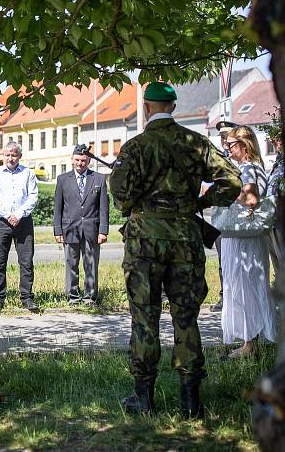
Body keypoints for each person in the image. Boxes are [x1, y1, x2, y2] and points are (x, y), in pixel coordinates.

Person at [109, 82, 241, 419]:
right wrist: (201, 201)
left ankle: (144, 398)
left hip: (145, 243)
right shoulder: (195, 143)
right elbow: (233, 181)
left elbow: (121, 197)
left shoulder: (136, 146)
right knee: (186, 319)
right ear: (173, 106)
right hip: (186, 239)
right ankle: (190, 402)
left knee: (144, 318)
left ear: (147, 107)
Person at [221, 125, 276, 358]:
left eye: (231, 144)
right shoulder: (247, 168)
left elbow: (251, 199)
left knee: (245, 287)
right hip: (241, 236)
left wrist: (225, 190)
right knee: (242, 286)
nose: (227, 148)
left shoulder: (250, 169)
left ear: (245, 146)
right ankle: (248, 342)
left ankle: (250, 345)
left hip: (245, 239)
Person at [0, 141, 39, 312]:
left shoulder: (28, 173)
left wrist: (18, 214)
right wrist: (8, 214)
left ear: (20, 156)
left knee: (26, 262)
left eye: (14, 155)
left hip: (23, 222)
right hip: (2, 222)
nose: (10, 158)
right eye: (7, 155)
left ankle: (26, 297)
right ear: (3, 156)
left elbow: (33, 196)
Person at [53, 144, 109, 305]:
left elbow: (103, 207)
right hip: (70, 229)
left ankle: (90, 296)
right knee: (71, 263)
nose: (80, 163)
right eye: (77, 160)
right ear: (72, 160)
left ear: (88, 161)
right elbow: (58, 207)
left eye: (83, 160)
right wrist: (58, 230)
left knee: (91, 263)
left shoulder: (98, 179)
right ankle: (73, 296)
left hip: (92, 229)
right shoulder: (63, 179)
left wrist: (103, 230)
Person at [210, 119, 238, 312]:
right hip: (220, 218)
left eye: (226, 137)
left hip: (235, 219)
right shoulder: (219, 158)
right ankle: (224, 294)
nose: (224, 141)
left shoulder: (238, 160)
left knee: (235, 259)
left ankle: (235, 295)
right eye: (221, 137)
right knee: (223, 260)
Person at [266, 131, 283, 283]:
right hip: (273, 219)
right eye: (274, 141)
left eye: (278, 140)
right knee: (277, 262)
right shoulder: (278, 162)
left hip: (281, 219)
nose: (276, 144)